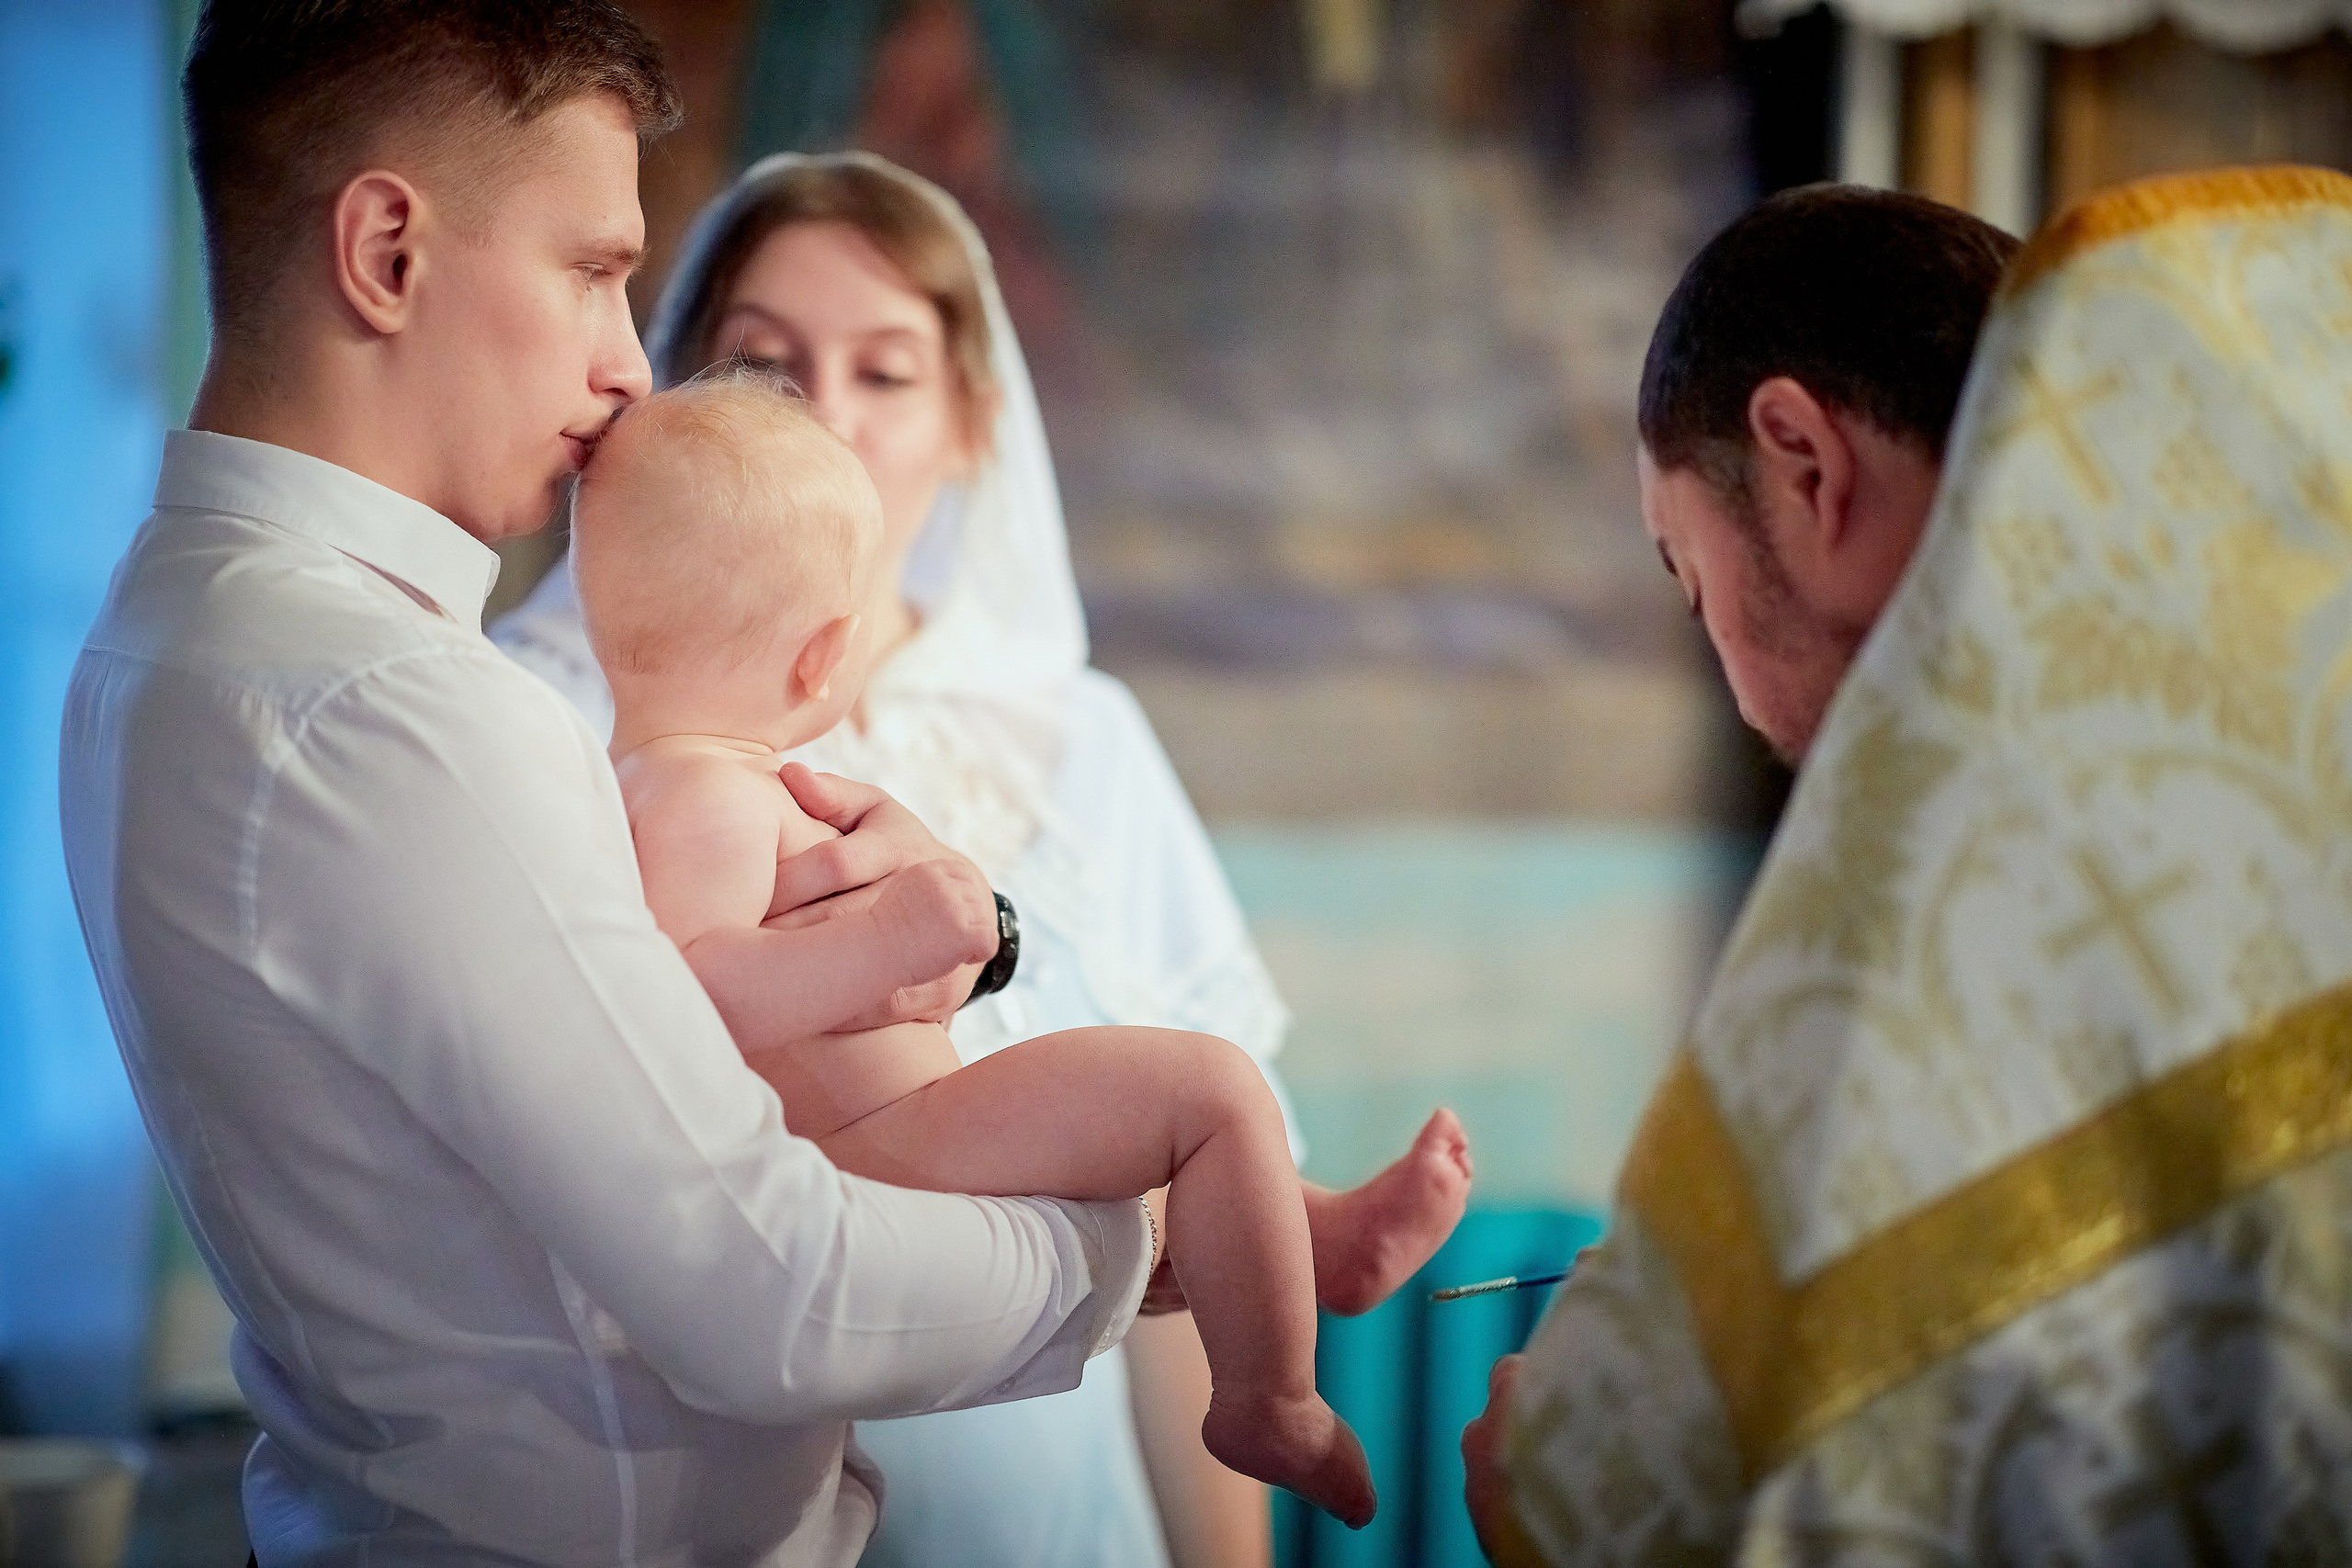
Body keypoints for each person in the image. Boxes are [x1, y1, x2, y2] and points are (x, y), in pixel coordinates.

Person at [58, 6, 1165, 1562]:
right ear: (386, 251)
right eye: (592, 269)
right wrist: (1145, 1235)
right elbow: (767, 1290)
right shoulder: (407, 710)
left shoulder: (163, 626)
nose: (627, 365)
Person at [1463, 167, 2352, 1562]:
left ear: (1805, 463)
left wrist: (1560, 1462)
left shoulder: (1949, 866)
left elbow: (1636, 1496)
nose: (1745, 704)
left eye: (1692, 584)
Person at [491, 152, 1312, 1568]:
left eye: (887, 372)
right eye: (766, 366)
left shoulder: (1084, 736)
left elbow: (1177, 1239)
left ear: (973, 421)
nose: (830, 420)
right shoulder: (534, 729)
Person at [570, 369, 1474, 1528]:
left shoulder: (658, 780)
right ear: (822, 656)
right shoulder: (707, 795)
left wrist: (906, 949)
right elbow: (690, 997)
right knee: (1207, 1086)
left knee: (1141, 1111)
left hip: (879, 1129)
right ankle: (1268, 1395)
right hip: (875, 1144)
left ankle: (1318, 1244)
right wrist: (890, 937)